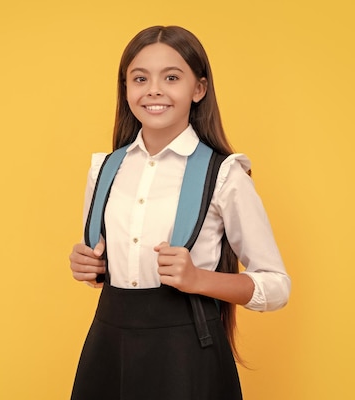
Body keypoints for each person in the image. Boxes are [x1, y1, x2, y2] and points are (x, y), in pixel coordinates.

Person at [68, 25, 291, 400]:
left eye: (171, 77)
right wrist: (89, 266)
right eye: (140, 78)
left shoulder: (224, 174)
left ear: (199, 89)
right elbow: (108, 262)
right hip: (109, 345)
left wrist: (199, 279)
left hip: (186, 354)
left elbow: (277, 285)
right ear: (126, 88)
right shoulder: (104, 169)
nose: (154, 89)